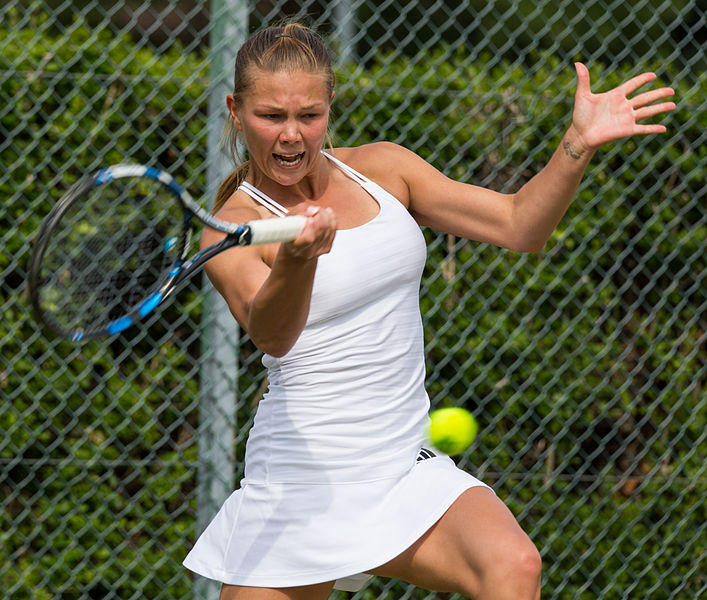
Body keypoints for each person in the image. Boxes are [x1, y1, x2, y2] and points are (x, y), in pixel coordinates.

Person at [182, 21, 675, 600]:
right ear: (236, 111)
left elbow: (520, 225)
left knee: (514, 565)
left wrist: (577, 143)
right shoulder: (231, 227)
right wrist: (297, 263)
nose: (291, 136)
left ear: (330, 104)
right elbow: (271, 333)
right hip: (300, 482)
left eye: (308, 115)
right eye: (271, 116)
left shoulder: (387, 168)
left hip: (401, 465)